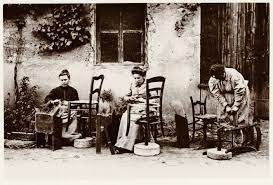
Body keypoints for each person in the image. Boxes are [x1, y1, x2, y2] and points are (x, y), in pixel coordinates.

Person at [114, 66, 148, 154]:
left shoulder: (148, 85)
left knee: (133, 119)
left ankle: (129, 145)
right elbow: (125, 97)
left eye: (138, 78)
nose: (136, 80)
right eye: (135, 78)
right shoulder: (132, 85)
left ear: (143, 77)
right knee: (125, 116)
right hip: (134, 108)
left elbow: (155, 99)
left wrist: (142, 100)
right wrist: (130, 98)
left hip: (145, 108)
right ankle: (121, 143)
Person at [44, 69, 81, 143]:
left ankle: (70, 135)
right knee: (55, 113)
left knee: (75, 113)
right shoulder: (55, 90)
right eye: (62, 80)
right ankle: (60, 136)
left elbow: (77, 103)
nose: (63, 82)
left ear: (69, 79)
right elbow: (47, 99)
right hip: (59, 112)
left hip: (70, 111)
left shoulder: (73, 91)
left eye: (65, 79)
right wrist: (53, 101)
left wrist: (69, 103)